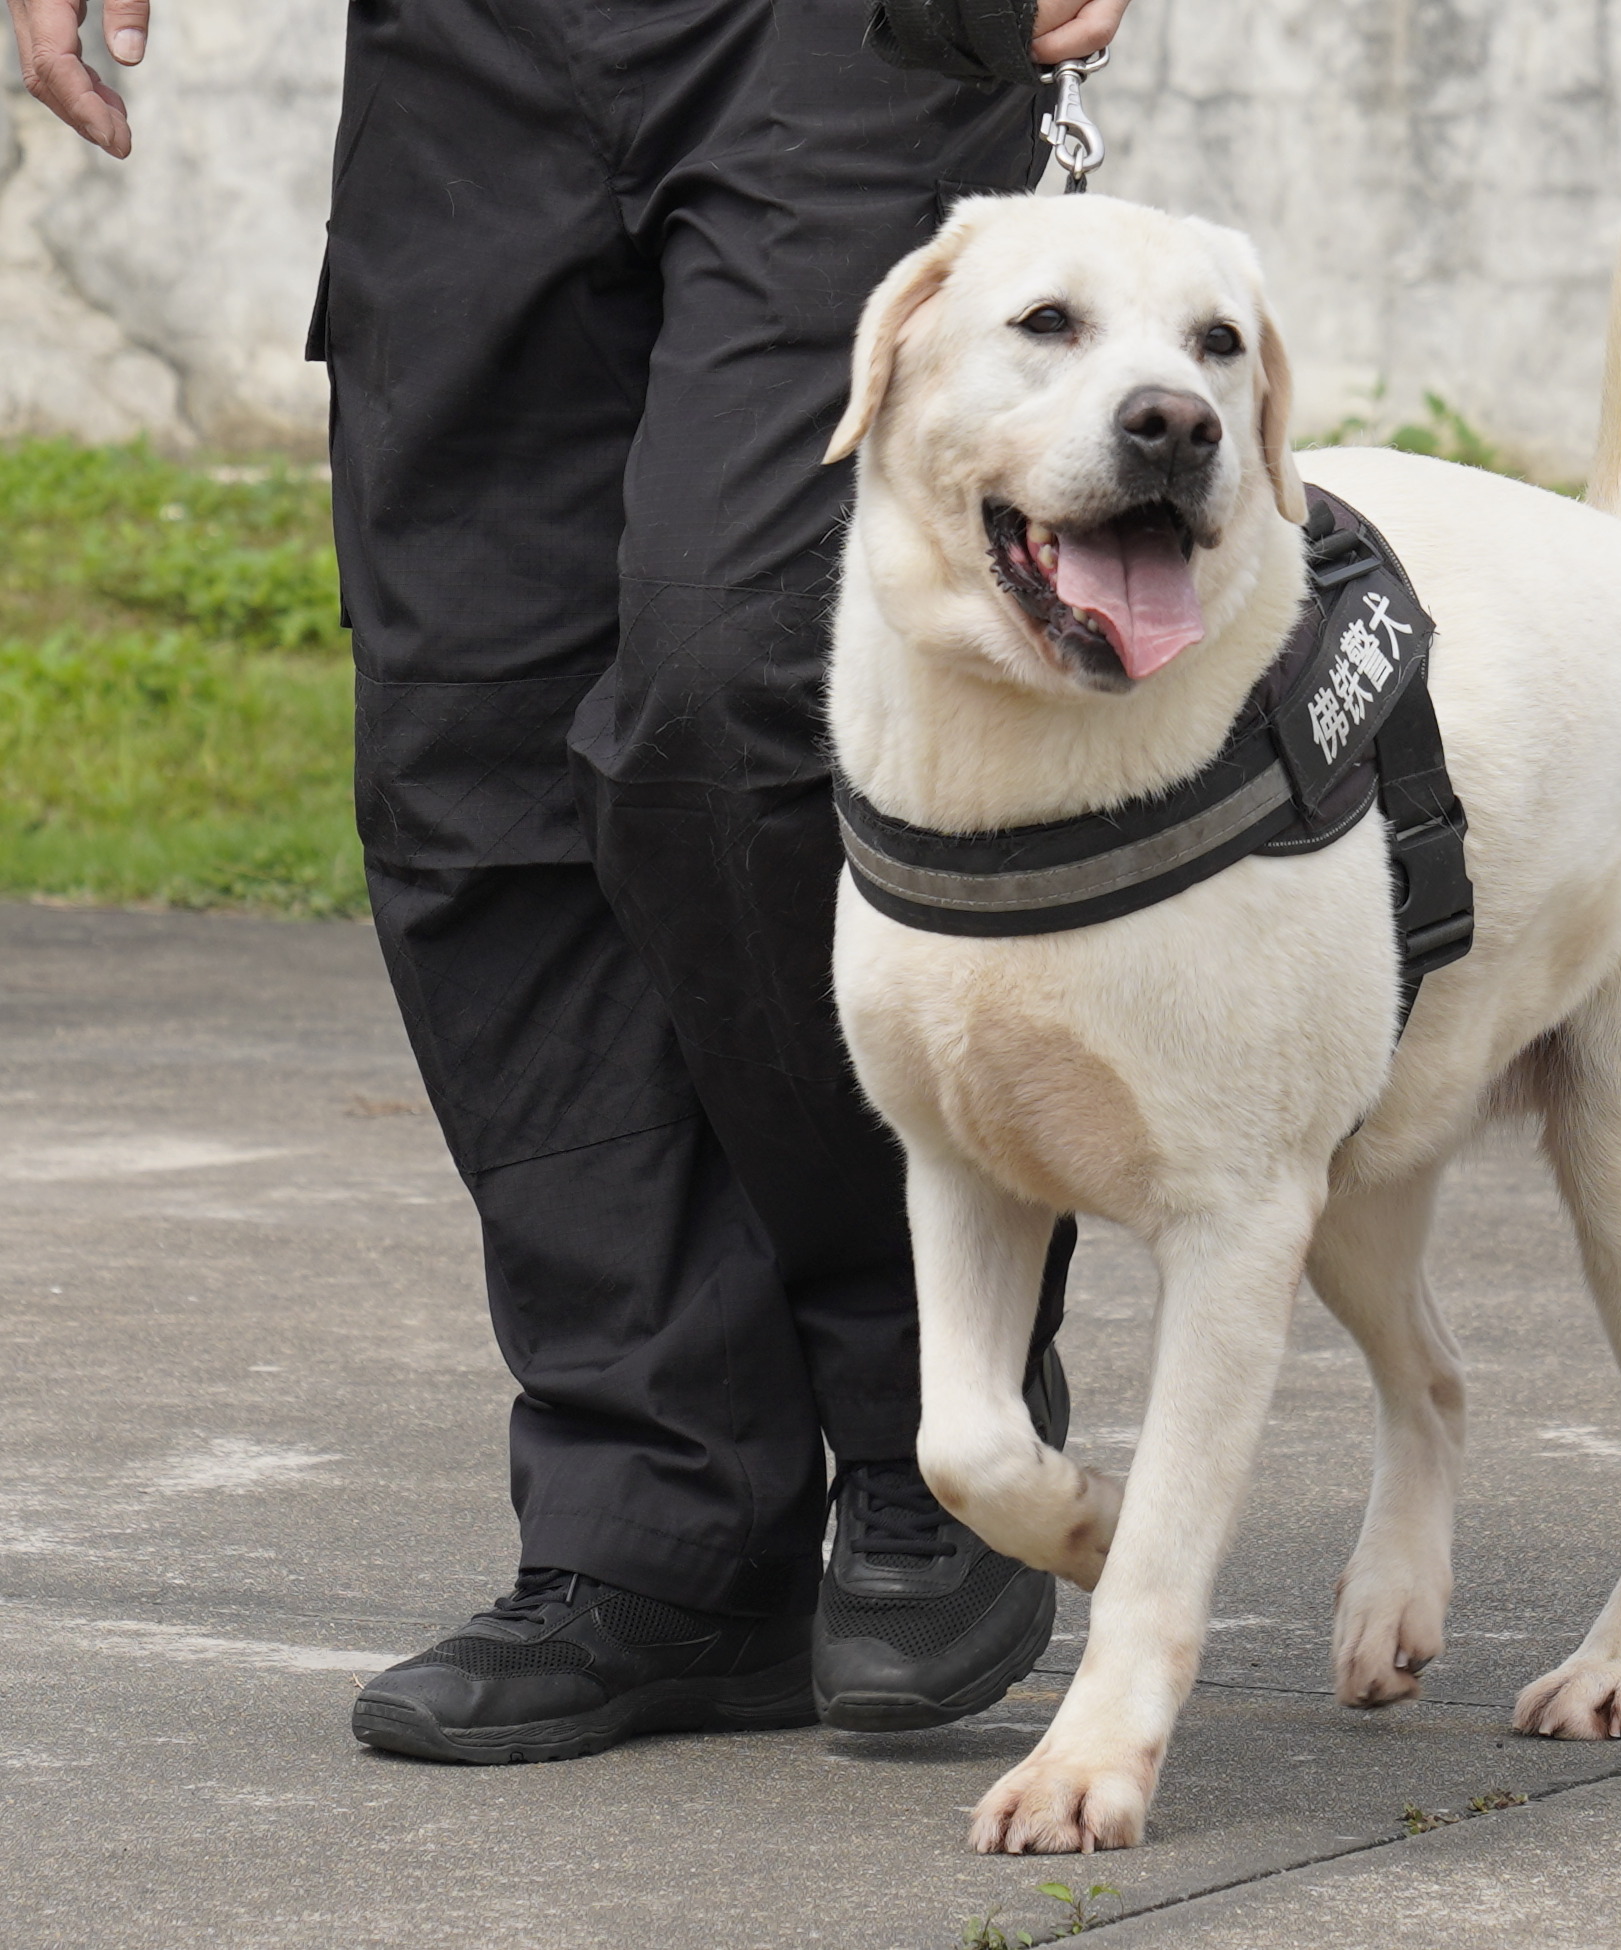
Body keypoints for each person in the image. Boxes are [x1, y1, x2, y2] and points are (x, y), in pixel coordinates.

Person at [7, 0, 1128, 1762]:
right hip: (467, 49)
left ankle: (938, 1413)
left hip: (838, 37)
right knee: (474, 740)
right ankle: (666, 1531)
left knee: (748, 691)